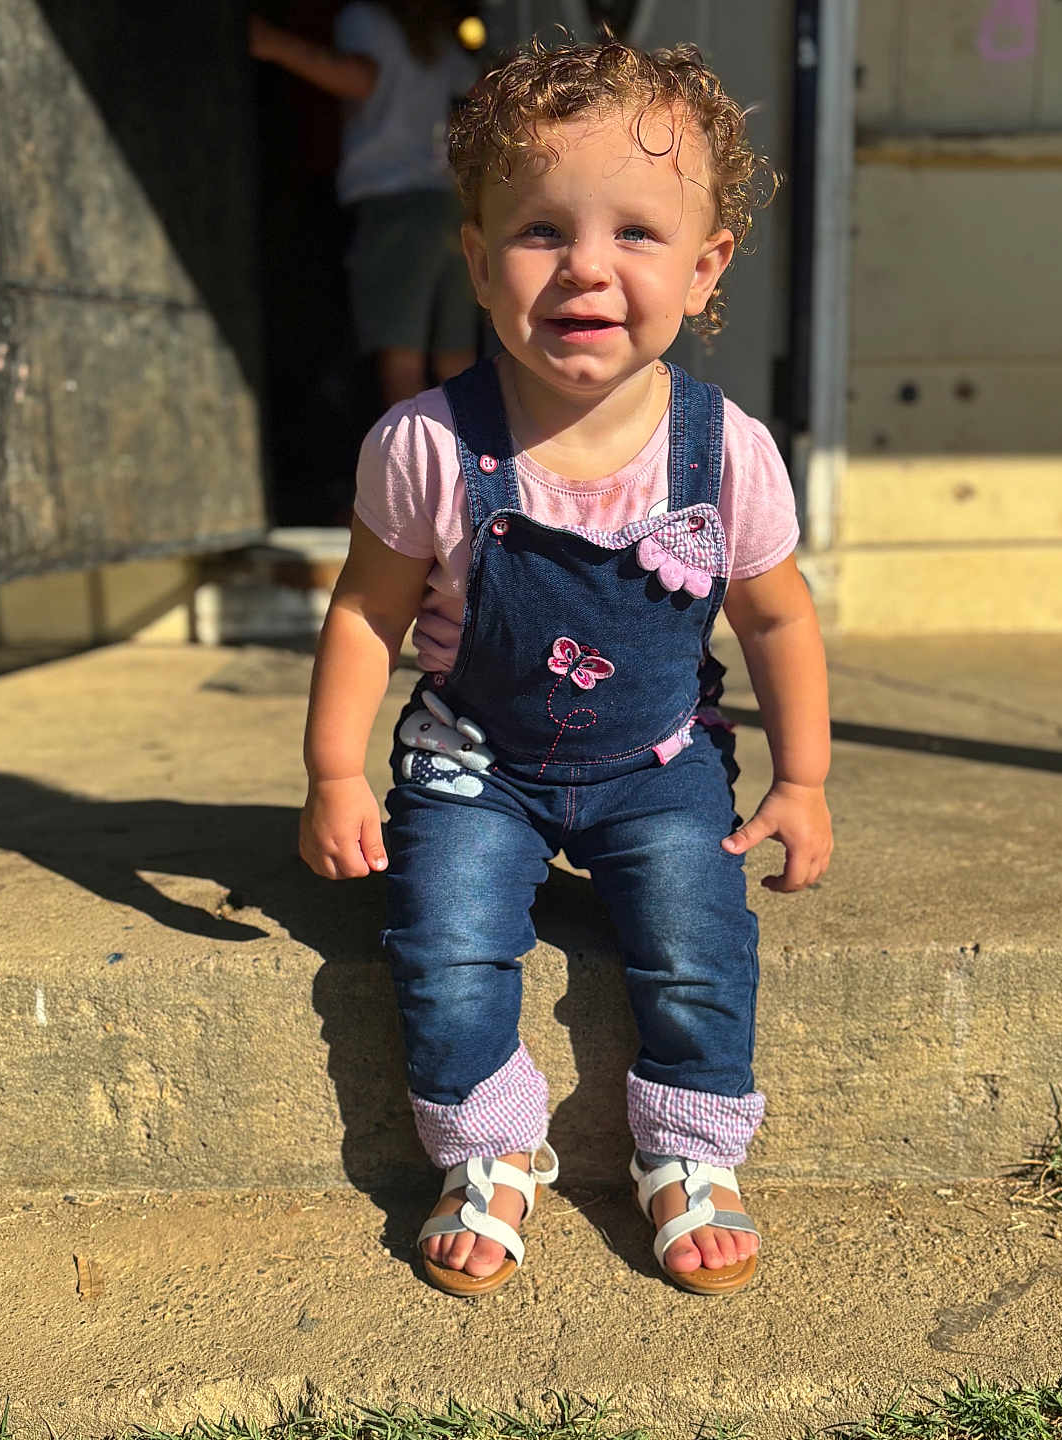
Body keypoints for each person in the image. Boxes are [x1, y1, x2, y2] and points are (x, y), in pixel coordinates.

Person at [298, 34, 833, 1298]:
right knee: (443, 934)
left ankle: (692, 1147)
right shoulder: (427, 445)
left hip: (657, 764)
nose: (587, 266)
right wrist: (333, 770)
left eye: (638, 235)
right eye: (541, 231)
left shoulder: (725, 450)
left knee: (698, 933)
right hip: (476, 762)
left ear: (706, 271)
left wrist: (801, 781)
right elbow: (368, 616)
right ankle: (486, 1152)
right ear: (477, 263)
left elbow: (778, 622)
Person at [250, 2, 479, 407]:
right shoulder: (437, 36)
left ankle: (413, 471)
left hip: (393, 209)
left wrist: (274, 45)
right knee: (457, 361)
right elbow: (475, 89)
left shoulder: (363, 19)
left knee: (402, 363)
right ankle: (478, 467)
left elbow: (360, 78)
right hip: (448, 206)